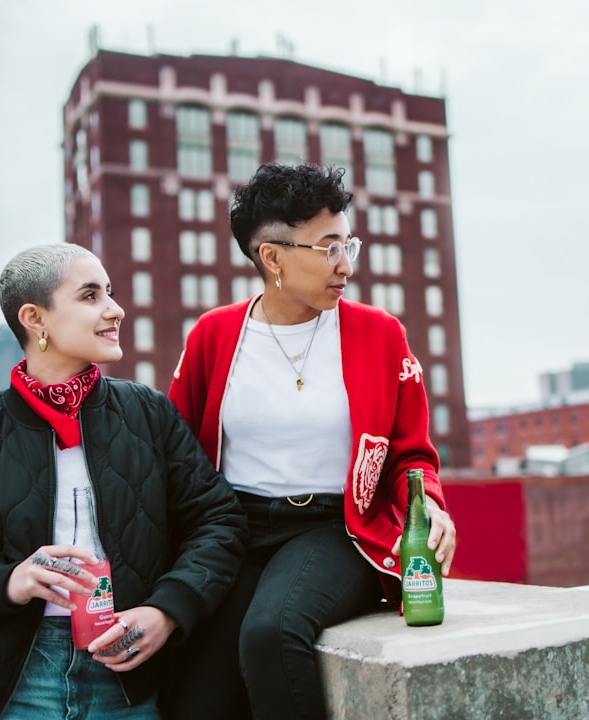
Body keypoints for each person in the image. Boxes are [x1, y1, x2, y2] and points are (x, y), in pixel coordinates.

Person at [0, 244, 248, 720]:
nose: (116, 310)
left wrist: (167, 610)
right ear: (36, 319)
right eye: (91, 296)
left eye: (110, 293)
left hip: (128, 677)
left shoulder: (148, 413)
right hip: (2, 686)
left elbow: (220, 523)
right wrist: (10, 581)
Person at [166, 163, 458, 719]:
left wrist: (432, 508)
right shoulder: (214, 334)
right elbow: (178, 454)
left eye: (349, 243)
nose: (345, 264)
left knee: (271, 634)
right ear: (272, 257)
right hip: (231, 530)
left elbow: (410, 453)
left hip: (335, 528)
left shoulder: (379, 334)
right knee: (197, 691)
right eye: (328, 249)